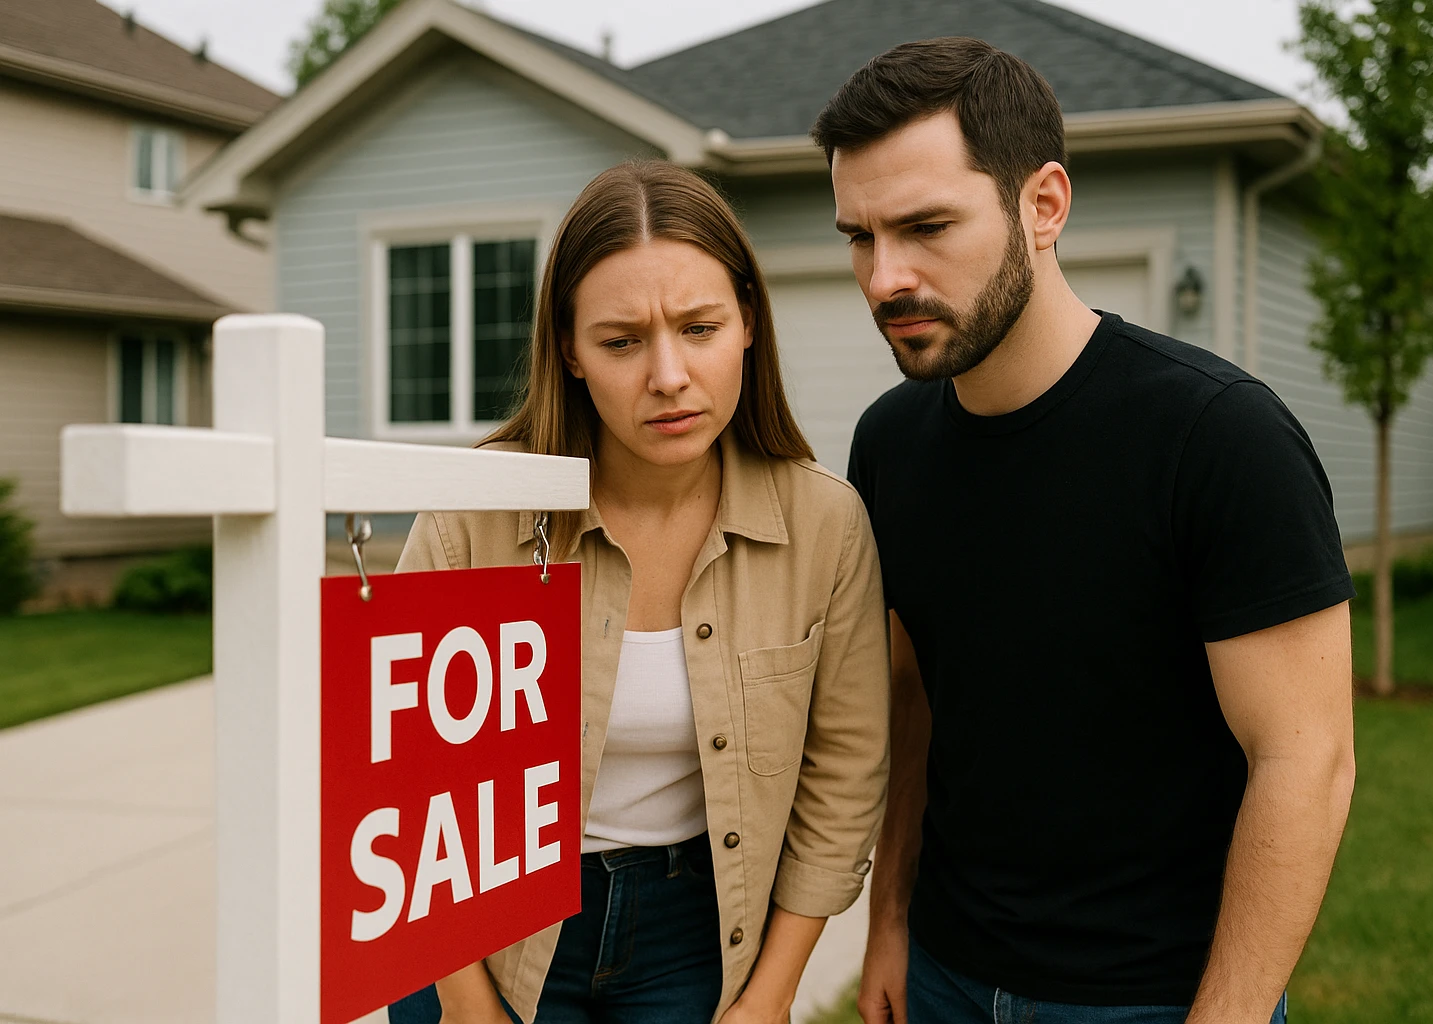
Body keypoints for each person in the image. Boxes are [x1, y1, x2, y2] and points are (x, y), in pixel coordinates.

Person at [811, 38, 1357, 1024]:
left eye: (927, 225)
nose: (885, 276)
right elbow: (912, 691)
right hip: (945, 974)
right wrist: (887, 917)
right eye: (859, 235)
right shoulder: (890, 443)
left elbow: (1306, 758)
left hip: (1156, 997)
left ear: (1044, 204)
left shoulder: (1218, 437)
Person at [387, 160, 889, 1024]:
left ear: (748, 326)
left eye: (699, 328)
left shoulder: (825, 526)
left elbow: (844, 774)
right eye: (621, 342)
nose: (667, 375)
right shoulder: (475, 514)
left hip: (693, 932)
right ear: (571, 352)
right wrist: (465, 1002)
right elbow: (401, 779)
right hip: (483, 925)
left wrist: (771, 995)